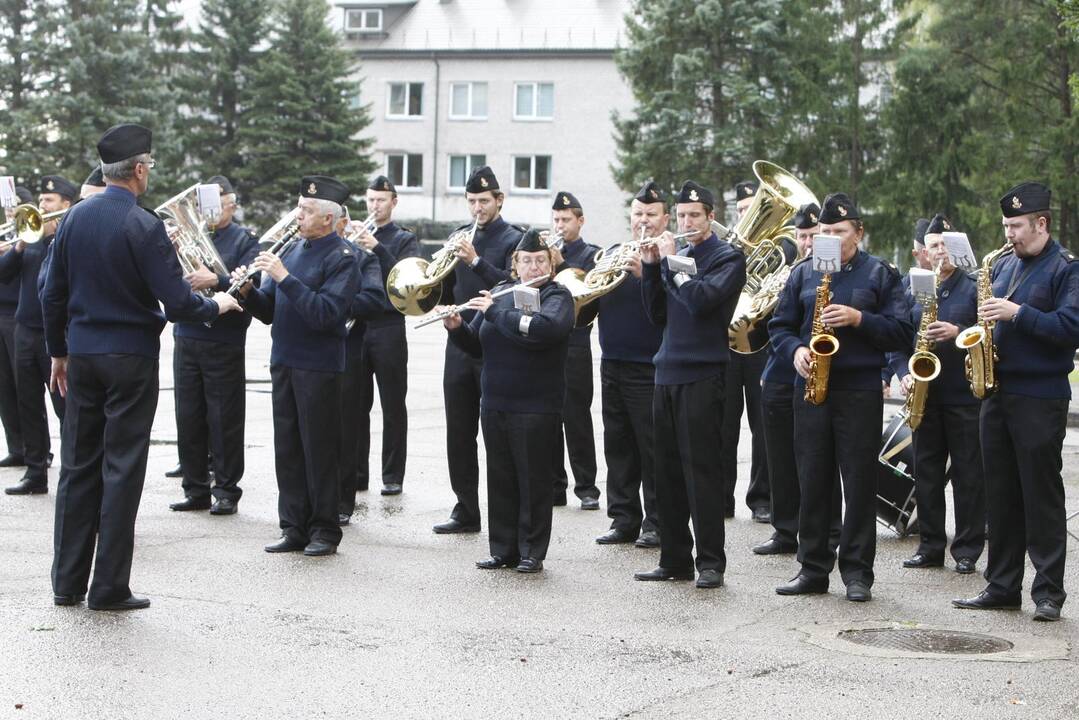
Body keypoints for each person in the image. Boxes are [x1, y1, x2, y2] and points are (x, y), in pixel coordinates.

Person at [43, 123, 240, 611]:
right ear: (137, 169)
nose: (149, 172)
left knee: (77, 466)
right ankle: (108, 587)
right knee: (122, 468)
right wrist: (219, 304)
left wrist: (58, 352)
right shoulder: (142, 224)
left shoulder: (74, 218)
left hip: (83, 355)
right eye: (148, 165)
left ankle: (66, 584)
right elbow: (177, 303)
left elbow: (52, 292)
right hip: (130, 358)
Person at [769, 192, 913, 602]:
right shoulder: (803, 273)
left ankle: (857, 573)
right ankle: (812, 567)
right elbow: (780, 326)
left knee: (858, 481)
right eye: (824, 231)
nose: (828, 238)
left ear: (858, 232)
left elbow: (902, 332)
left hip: (857, 390)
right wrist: (795, 350)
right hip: (811, 387)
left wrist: (858, 319)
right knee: (813, 479)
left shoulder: (880, 274)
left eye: (838, 231)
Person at [954, 182, 1079, 622]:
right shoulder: (1002, 264)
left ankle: (1048, 593)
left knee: (1040, 495)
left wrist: (1017, 314)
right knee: (1000, 494)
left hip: (1039, 397)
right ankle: (1002, 585)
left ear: (1041, 223)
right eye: (1006, 225)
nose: (1009, 234)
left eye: (1017, 226)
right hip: (997, 394)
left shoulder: (1067, 269)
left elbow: (1070, 327)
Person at [232, 176, 361, 557]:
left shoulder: (343, 258)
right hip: (285, 361)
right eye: (299, 208)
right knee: (287, 447)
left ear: (328, 219)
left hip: (319, 367)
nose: (297, 216)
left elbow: (326, 314)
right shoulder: (290, 250)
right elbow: (271, 312)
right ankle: (293, 525)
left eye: (305, 211)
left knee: (319, 449)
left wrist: (283, 278)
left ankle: (324, 529)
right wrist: (248, 292)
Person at [634, 181, 746, 590]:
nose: (686, 223)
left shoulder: (727, 257)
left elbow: (701, 301)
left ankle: (711, 562)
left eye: (694, 216)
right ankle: (675, 558)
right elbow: (656, 314)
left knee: (701, 472)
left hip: (704, 373)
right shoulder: (674, 257)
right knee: (665, 474)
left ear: (711, 217)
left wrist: (670, 266)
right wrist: (650, 268)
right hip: (667, 372)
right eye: (681, 216)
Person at [443, 229, 575, 573]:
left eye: (540, 261)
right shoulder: (501, 292)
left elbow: (545, 330)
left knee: (533, 479)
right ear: (515, 265)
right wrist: (457, 327)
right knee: (500, 477)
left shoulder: (557, 296)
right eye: (526, 261)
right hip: (496, 400)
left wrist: (495, 314)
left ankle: (532, 551)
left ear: (550, 263)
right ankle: (503, 549)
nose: (533, 267)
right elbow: (476, 345)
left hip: (535, 404)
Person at [887, 214, 984, 574]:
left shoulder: (973, 287)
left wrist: (959, 330)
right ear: (923, 253)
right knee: (925, 472)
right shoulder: (913, 287)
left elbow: (986, 335)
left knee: (968, 475)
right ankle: (930, 546)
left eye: (944, 244)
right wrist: (903, 374)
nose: (939, 251)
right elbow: (897, 339)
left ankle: (967, 550)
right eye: (933, 246)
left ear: (955, 248)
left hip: (962, 395)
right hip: (924, 396)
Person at [433, 166, 523, 534]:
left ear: (499, 200)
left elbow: (514, 285)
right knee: (458, 430)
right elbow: (445, 289)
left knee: (498, 436)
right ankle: (465, 507)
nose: (477, 209)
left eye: (483, 201)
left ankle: (507, 514)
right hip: (459, 341)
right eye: (471, 201)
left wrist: (474, 260)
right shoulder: (458, 236)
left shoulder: (513, 239)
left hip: (494, 344)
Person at [754, 202, 844, 555]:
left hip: (818, 372)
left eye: (812, 235)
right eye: (802, 236)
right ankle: (785, 528)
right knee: (779, 455)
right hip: (779, 371)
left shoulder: (828, 271)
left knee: (819, 458)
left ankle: (831, 531)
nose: (807, 243)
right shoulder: (785, 272)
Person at [167, 175, 259, 515]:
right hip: (188, 334)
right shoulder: (192, 236)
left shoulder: (245, 240)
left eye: (219, 202)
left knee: (224, 418)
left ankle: (226, 490)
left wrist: (216, 280)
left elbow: (252, 282)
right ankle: (195, 488)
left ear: (232, 205)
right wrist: (171, 249)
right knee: (188, 415)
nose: (210, 210)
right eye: (206, 202)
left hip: (224, 337)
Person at [593, 181, 665, 548]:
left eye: (651, 214)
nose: (644, 221)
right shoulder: (613, 252)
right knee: (617, 445)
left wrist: (648, 273)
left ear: (665, 218)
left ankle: (656, 522)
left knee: (651, 448)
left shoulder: (672, 258)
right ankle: (623, 518)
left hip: (648, 365)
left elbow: (671, 307)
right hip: (612, 362)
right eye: (638, 214)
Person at [1, 175, 73, 495]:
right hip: (25, 330)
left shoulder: (67, 241)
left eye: (49, 201)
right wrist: (19, 244)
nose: (42, 206)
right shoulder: (30, 239)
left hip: (54, 334)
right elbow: (4, 273)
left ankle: (74, 469)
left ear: (65, 206)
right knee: (28, 402)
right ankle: (35, 471)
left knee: (65, 406)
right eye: (42, 201)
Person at [348, 176, 419, 496]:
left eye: (381, 200)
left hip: (389, 328)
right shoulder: (353, 235)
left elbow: (409, 281)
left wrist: (376, 247)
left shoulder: (403, 239)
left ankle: (392, 476)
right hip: (358, 326)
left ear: (394, 202)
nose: (374, 206)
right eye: (371, 200)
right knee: (355, 405)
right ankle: (357, 473)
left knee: (393, 405)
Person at [548, 190, 602, 510]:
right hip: (547, 343)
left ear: (580, 222)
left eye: (566, 220)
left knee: (576, 416)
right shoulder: (544, 252)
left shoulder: (590, 255)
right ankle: (555, 485)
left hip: (577, 342)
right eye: (556, 219)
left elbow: (586, 297)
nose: (560, 225)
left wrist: (562, 263)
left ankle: (587, 487)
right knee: (549, 416)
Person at [338, 211, 390, 524]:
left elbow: (374, 300)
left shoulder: (363, 258)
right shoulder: (296, 252)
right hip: (305, 354)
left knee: (346, 425)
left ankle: (342, 501)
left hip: (347, 348)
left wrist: (327, 304)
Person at [0, 187, 32, 469]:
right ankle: (16, 446)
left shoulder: (28, 235)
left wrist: (16, 245)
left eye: (16, 207)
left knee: (24, 385)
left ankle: (35, 449)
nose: (11, 212)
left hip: (16, 312)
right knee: (4, 386)